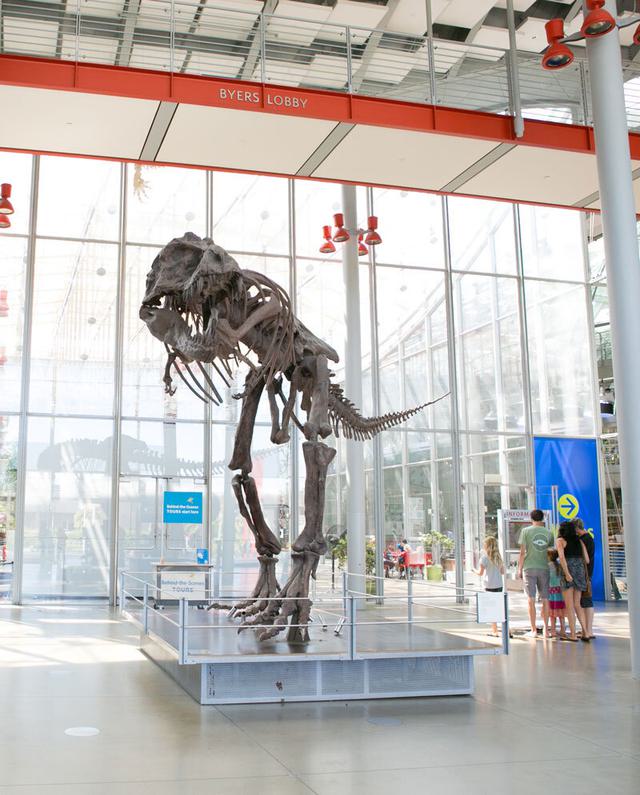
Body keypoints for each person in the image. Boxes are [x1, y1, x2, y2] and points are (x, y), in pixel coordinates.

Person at [517, 509, 554, 639]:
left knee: (530, 599)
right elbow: (550, 551)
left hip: (529, 568)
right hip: (544, 567)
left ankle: (533, 630)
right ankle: (546, 630)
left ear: (531, 518)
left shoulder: (525, 531)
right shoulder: (549, 533)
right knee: (545, 599)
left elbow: (522, 552)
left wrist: (519, 569)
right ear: (542, 518)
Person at [556, 520, 590, 643]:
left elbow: (561, 557)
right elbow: (586, 560)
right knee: (577, 604)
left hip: (568, 572)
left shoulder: (560, 541)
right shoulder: (579, 541)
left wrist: (567, 573)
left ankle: (573, 635)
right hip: (579, 571)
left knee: (569, 606)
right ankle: (585, 632)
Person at [474, 536, 505, 637]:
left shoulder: (484, 558)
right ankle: (505, 629)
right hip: (499, 584)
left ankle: (494, 631)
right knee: (499, 607)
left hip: (489, 585)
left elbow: (480, 573)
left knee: (492, 608)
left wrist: (473, 570)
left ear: (487, 546)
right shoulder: (499, 557)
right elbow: (503, 572)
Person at [575, 518, 596, 640]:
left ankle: (587, 630)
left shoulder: (582, 540)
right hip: (589, 572)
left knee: (585, 602)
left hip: (584, 574)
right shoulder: (589, 538)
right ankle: (589, 629)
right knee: (587, 601)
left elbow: (584, 558)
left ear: (577, 528)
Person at [547, 549, 567, 640]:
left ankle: (553, 630)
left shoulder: (547, 566)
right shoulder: (560, 566)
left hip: (551, 592)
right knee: (561, 613)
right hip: (560, 593)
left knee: (552, 613)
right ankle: (563, 630)